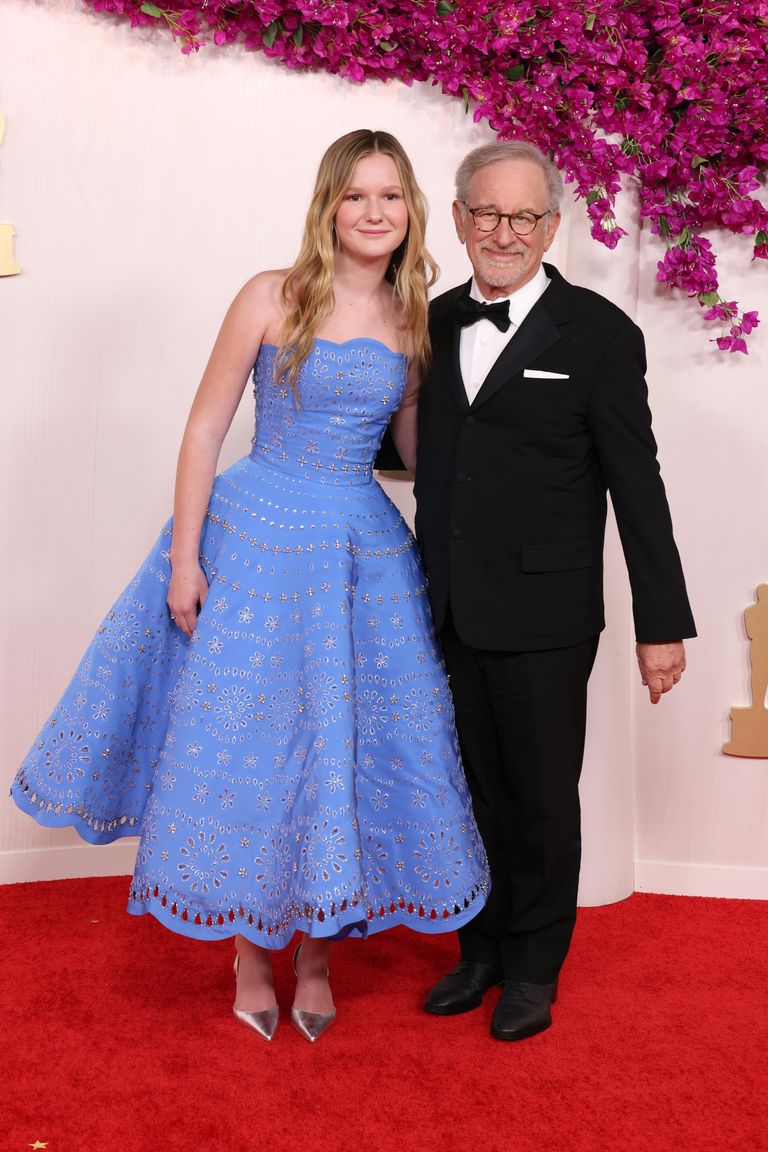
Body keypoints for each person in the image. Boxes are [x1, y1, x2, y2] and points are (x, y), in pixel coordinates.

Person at [11, 129, 489, 1044]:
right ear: (329, 206)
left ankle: (316, 958)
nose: (374, 212)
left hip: (358, 553)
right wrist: (186, 559)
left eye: (391, 196)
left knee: (342, 749)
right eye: (356, 195)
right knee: (250, 745)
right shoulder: (272, 295)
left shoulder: (414, 317)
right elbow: (204, 428)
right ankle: (249, 952)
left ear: (413, 210)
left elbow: (420, 454)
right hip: (255, 539)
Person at [412, 140, 696, 1041]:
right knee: (469, 793)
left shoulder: (601, 334)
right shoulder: (432, 321)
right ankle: (481, 951)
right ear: (459, 220)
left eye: (525, 216)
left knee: (538, 797)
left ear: (552, 227)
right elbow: (417, 454)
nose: (506, 233)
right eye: (488, 214)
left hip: (545, 613)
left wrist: (661, 624)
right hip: (444, 604)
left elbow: (638, 487)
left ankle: (535, 966)